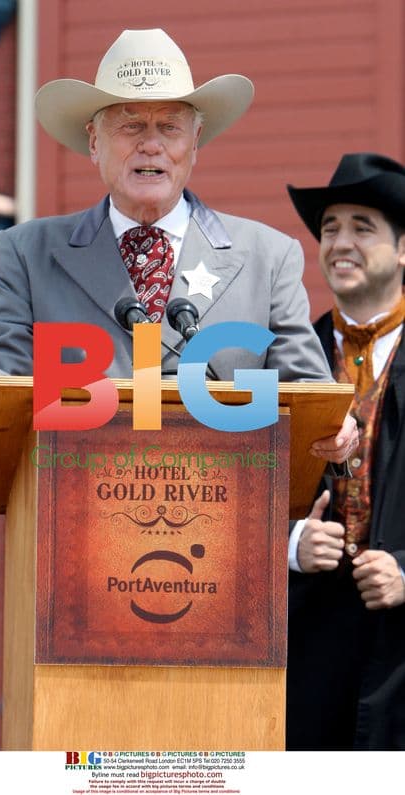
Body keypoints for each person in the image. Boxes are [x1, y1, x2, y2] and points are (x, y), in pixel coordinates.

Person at [0, 28, 356, 462]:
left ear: (194, 142)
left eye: (169, 127)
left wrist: (333, 426)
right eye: (131, 125)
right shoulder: (27, 253)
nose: (151, 145)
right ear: (94, 142)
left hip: (222, 497)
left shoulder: (269, 257)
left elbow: (306, 385)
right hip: (75, 495)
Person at [286, 152, 405, 750]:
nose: (340, 242)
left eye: (362, 226)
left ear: (404, 249)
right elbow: (234, 494)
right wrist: (290, 545)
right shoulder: (281, 362)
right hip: (311, 648)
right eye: (330, 227)